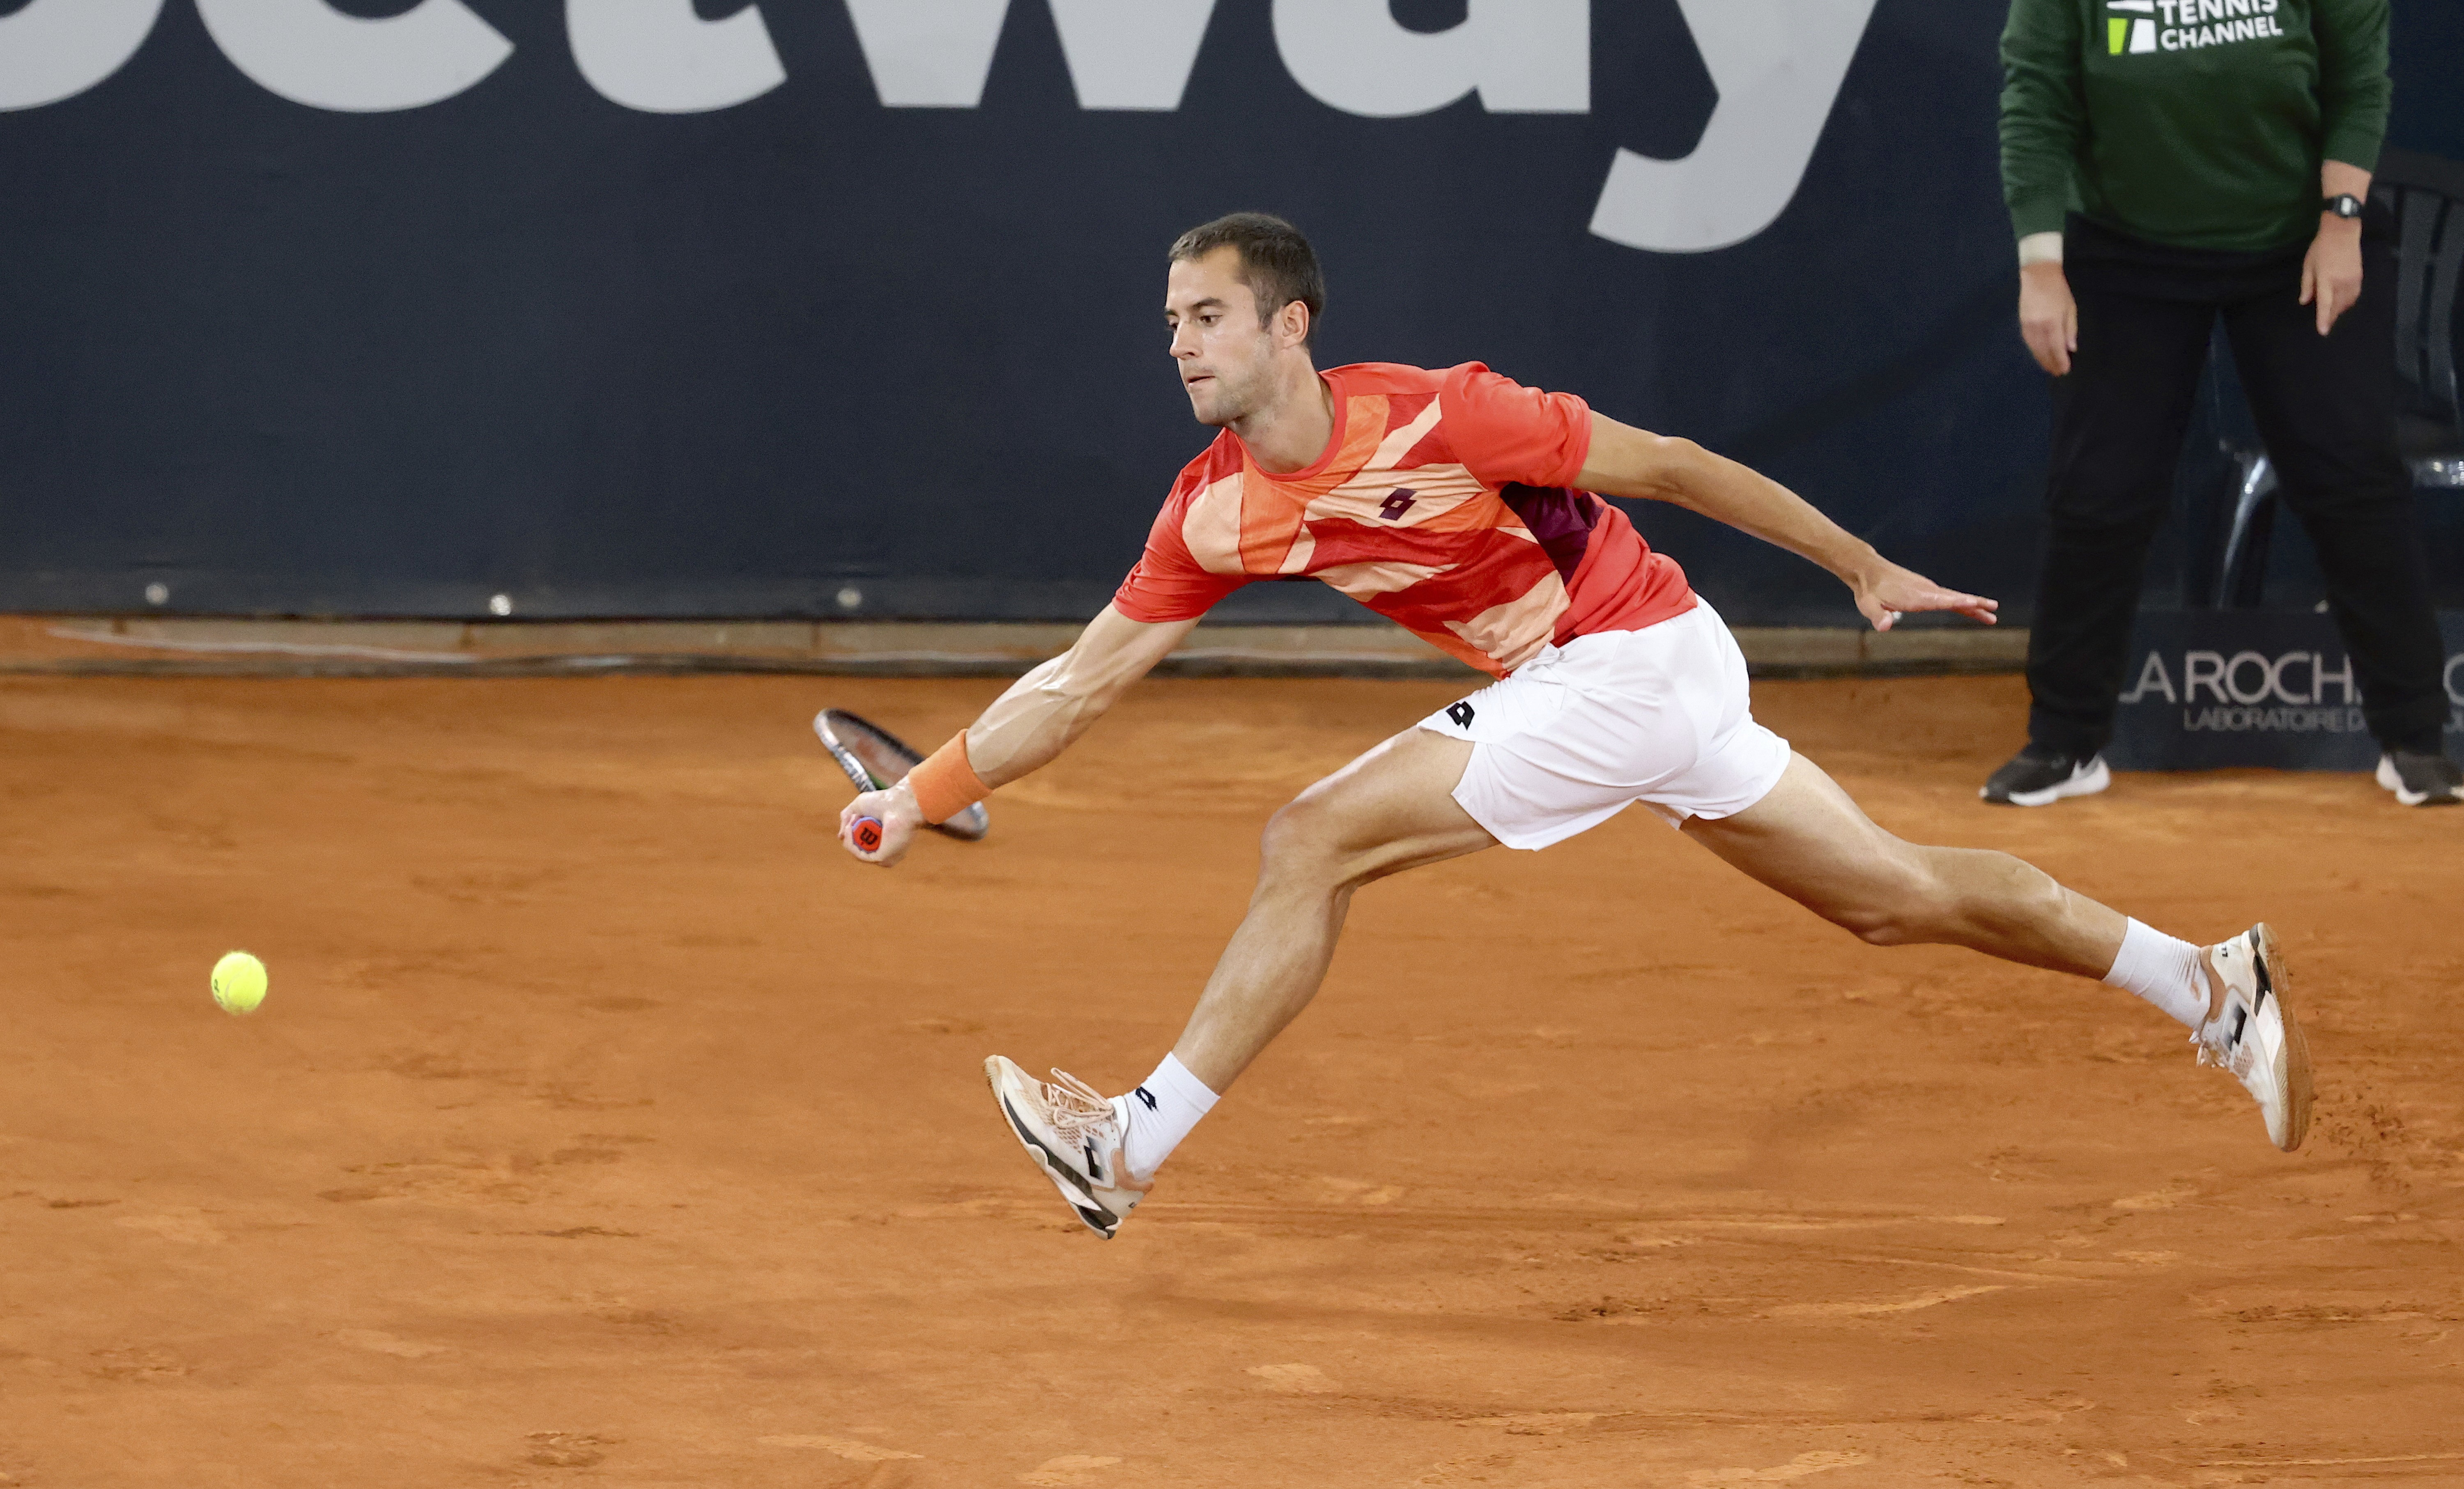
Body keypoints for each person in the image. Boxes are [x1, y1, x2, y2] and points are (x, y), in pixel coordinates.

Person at [838, 214, 2310, 1241]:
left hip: (1631, 656)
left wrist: (1858, 563)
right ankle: (2207, 983)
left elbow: (1664, 462)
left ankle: (1128, 1144)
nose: (1181, 344)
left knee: (1312, 839)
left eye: (1207, 315)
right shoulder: (1213, 507)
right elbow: (1082, 681)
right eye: (1169, 323)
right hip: (1634, 685)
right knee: (1895, 898)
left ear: (1291, 323)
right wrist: (928, 792)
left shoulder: (1442, 415)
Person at [1991, 0, 2461, 807]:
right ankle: (2066, 743)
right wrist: (2041, 265)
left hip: (2299, 240)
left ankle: (2415, 739)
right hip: (2127, 248)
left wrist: (2341, 221)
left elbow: (2357, 82)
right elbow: (2036, 96)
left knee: (2353, 475)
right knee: (2099, 492)